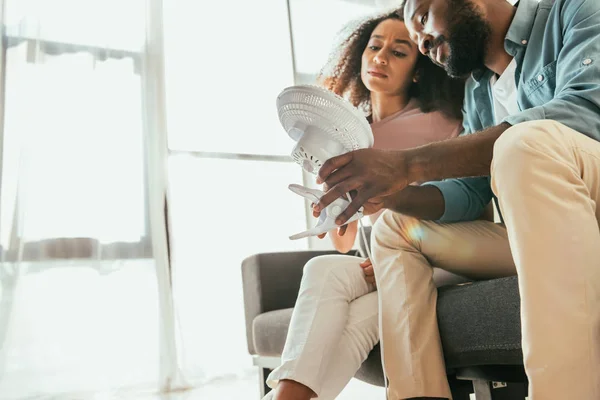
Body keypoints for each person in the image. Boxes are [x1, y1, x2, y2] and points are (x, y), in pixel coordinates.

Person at [311, 0, 600, 399]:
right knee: (396, 228)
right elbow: (469, 193)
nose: (424, 42)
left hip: (593, 202)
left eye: (423, 19)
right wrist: (391, 194)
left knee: (525, 143)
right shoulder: (478, 92)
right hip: (538, 233)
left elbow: (585, 112)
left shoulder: (574, 10)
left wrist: (407, 164)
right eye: (418, 40)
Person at [263, 10, 466, 400]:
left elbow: (462, 205)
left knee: (356, 310)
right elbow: (345, 244)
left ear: (419, 69)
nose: (380, 57)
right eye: (374, 46)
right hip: (376, 259)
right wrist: (336, 214)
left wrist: (401, 253)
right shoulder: (347, 134)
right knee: (323, 267)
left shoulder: (443, 125)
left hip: (439, 257)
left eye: (399, 51)